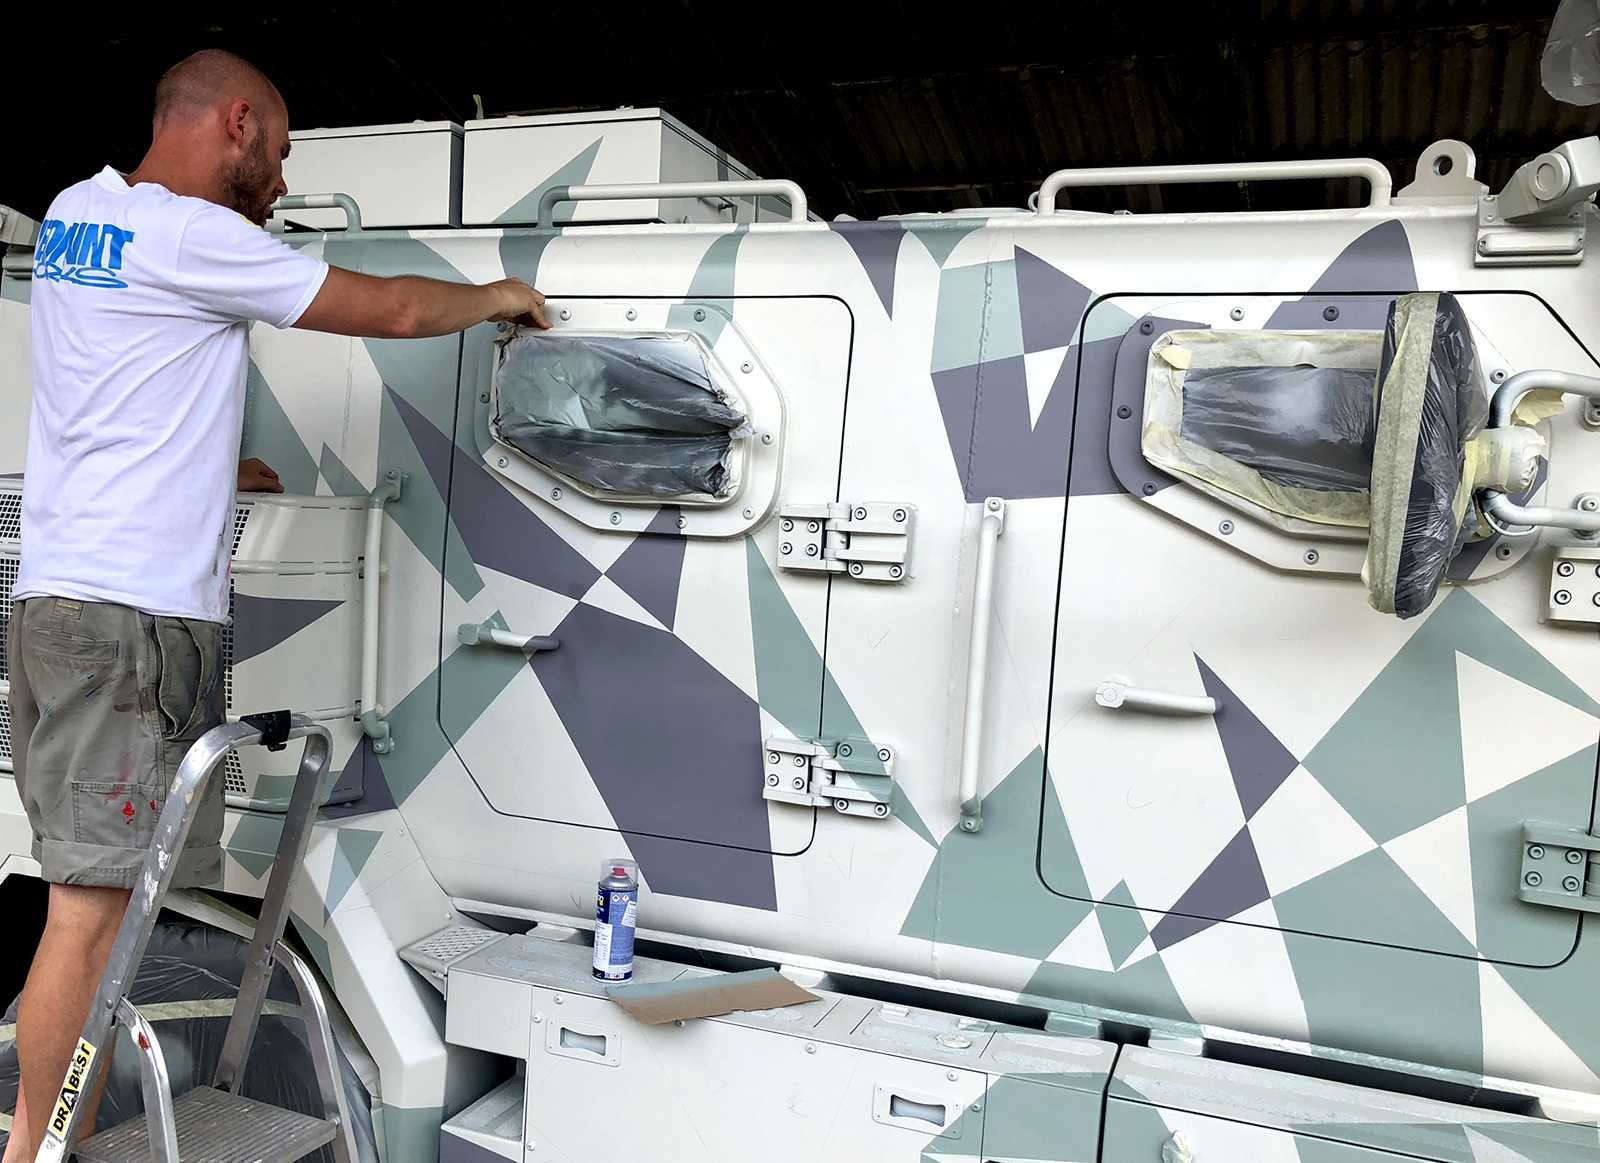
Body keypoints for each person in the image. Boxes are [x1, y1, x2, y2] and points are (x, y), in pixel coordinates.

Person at [2, 48, 549, 1161]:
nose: (285, 182)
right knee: (89, 913)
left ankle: (51, 1138)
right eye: (284, 152)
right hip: (131, 625)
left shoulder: (76, 214)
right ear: (238, 122)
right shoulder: (193, 235)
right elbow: (395, 307)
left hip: (64, 602)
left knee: (99, 904)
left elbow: (123, 383)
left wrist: (212, 468)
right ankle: (33, 1150)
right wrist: (501, 295)